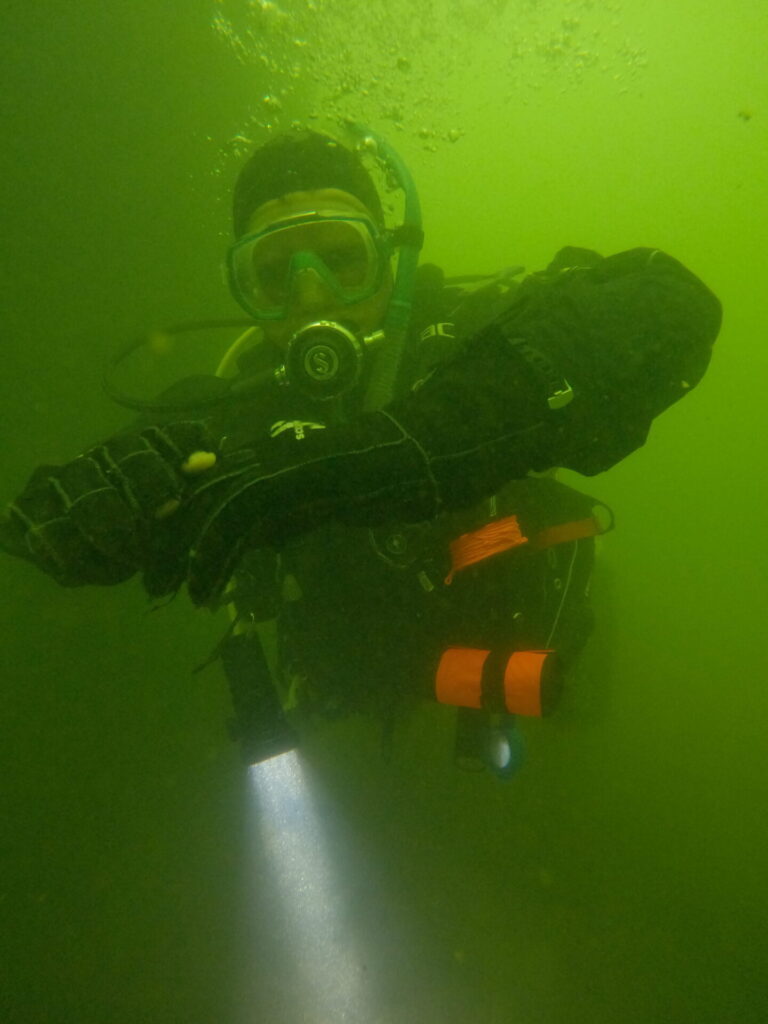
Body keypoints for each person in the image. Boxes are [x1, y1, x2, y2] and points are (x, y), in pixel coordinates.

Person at [1, 129, 722, 776]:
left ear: (390, 259)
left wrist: (408, 449)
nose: (313, 296)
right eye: (275, 275)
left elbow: (670, 303)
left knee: (572, 708)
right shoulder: (235, 408)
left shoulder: (476, 335)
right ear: (244, 288)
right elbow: (163, 444)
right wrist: (97, 504)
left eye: (343, 259)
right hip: (359, 680)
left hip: (510, 640)